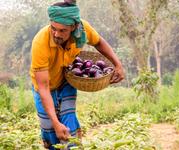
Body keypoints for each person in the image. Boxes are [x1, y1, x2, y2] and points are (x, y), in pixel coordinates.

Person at [30, 1, 124, 149]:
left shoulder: (82, 30)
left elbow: (99, 42)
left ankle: (73, 147)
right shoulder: (40, 43)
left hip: (66, 81)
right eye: (53, 29)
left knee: (68, 120)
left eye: (62, 31)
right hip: (44, 87)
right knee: (49, 127)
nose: (56, 34)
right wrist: (55, 122)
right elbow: (43, 87)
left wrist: (118, 64)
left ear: (73, 27)